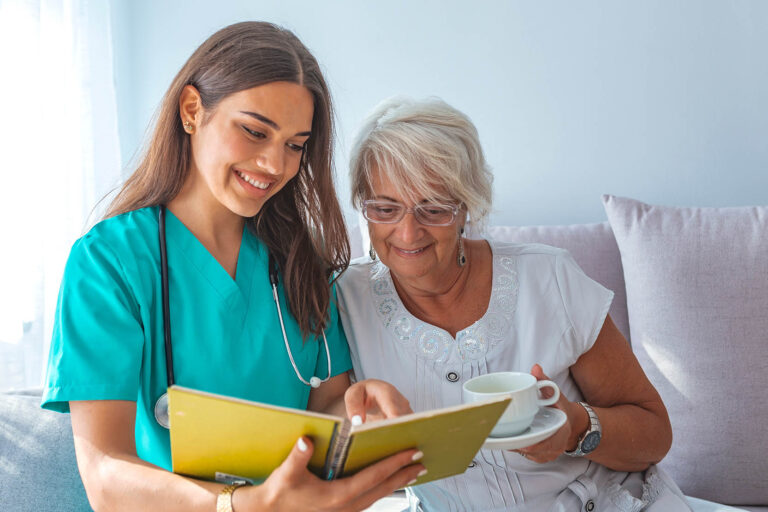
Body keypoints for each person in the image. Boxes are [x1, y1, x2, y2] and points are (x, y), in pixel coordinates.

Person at [41, 23, 424, 512]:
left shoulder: (298, 259)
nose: (273, 163)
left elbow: (324, 406)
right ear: (192, 110)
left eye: (295, 144)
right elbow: (104, 474)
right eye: (254, 131)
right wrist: (239, 506)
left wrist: (359, 411)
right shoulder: (108, 263)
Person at [337, 97, 691, 511]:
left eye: (433, 208)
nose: (408, 232)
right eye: (384, 208)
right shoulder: (343, 300)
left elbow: (654, 435)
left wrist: (575, 427)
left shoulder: (547, 277)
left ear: (465, 206)